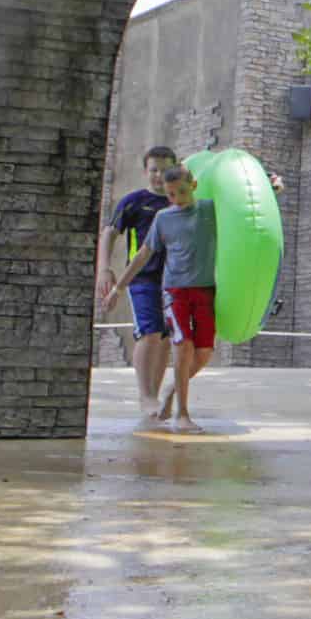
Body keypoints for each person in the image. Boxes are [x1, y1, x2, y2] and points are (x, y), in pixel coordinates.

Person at [100, 164, 216, 430]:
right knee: (182, 347)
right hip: (175, 291)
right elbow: (143, 254)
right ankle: (182, 414)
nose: (177, 199)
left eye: (182, 192)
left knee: (204, 352)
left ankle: (171, 391)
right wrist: (118, 287)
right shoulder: (164, 217)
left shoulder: (209, 210)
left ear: (194, 186)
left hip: (205, 289)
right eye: (172, 194)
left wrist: (272, 186)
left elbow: (241, 209)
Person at [97, 144, 179, 427]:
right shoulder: (133, 201)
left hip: (174, 280)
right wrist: (104, 269)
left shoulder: (178, 201)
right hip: (142, 278)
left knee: (166, 337)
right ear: (145, 171)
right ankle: (145, 395)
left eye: (165, 169)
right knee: (150, 333)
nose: (159, 175)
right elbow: (110, 233)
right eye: (153, 170)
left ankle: (154, 395)